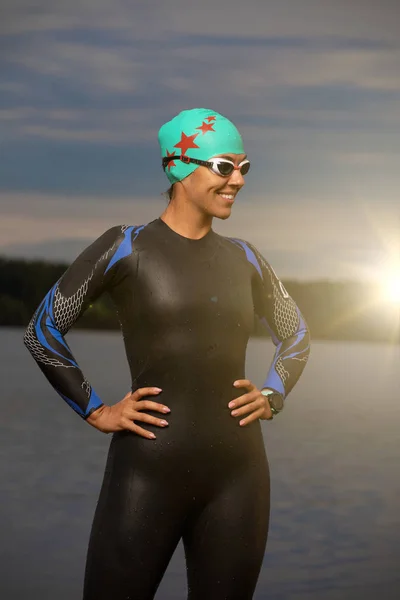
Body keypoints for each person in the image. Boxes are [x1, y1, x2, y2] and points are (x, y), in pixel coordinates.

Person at [23, 107, 310, 600]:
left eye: (245, 167)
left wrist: (272, 394)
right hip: (147, 473)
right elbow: (43, 330)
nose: (237, 180)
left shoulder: (245, 257)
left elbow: (297, 335)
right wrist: (96, 409)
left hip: (238, 477)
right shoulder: (125, 246)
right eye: (224, 166)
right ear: (179, 166)